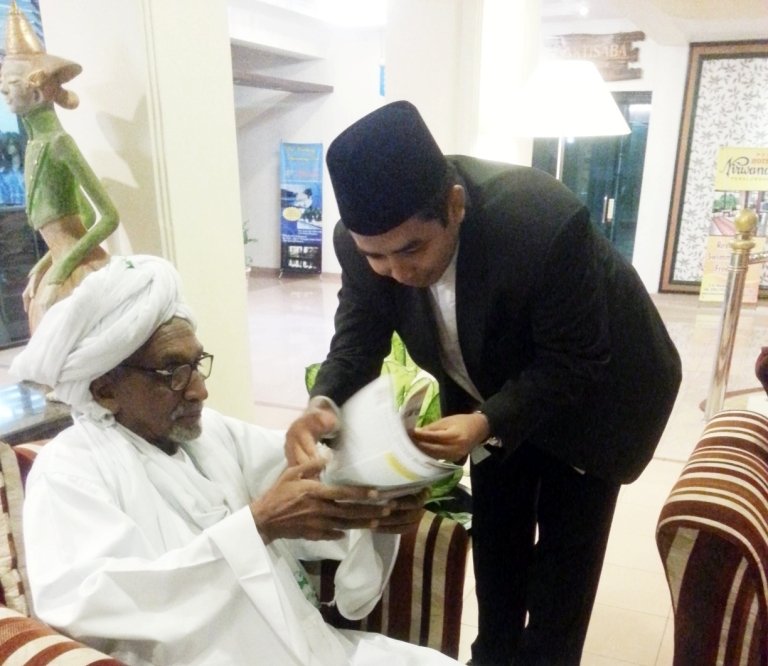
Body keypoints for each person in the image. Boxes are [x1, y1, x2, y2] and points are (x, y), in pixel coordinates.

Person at [285, 101, 682, 665]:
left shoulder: (541, 224)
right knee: (497, 537)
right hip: (490, 390)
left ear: (455, 205)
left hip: (597, 394)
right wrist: (320, 405)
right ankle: (492, 652)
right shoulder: (361, 244)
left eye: (412, 249)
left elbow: (576, 359)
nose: (398, 272)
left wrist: (486, 419)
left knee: (564, 562)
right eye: (378, 257)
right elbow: (356, 341)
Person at [11, 255, 458, 666]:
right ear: (105, 390)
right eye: (172, 372)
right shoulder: (70, 468)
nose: (199, 390)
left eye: (197, 364)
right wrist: (258, 526)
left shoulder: (211, 433)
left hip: (312, 649)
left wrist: (378, 499)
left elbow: (316, 479)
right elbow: (91, 604)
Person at [0, 3, 118, 330]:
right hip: (62, 265)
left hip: (80, 270)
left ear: (38, 92)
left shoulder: (59, 143)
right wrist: (44, 266)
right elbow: (84, 218)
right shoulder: (34, 145)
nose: (4, 90)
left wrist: (60, 270)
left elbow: (108, 217)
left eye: (11, 82)